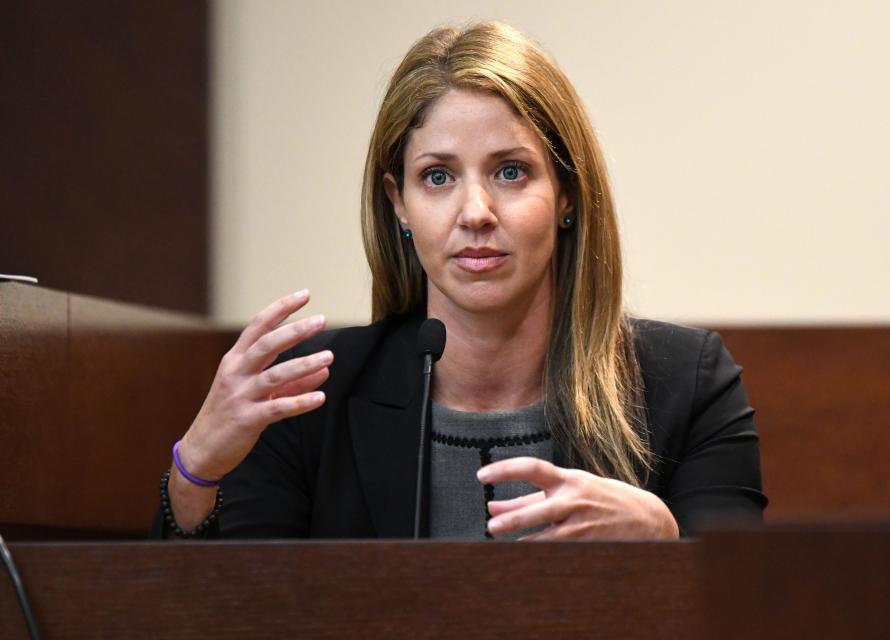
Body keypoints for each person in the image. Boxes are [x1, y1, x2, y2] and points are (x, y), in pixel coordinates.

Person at [153, 21, 765, 541]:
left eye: (510, 171)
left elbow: (752, 612)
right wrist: (196, 470)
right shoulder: (311, 393)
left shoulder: (686, 384)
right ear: (398, 203)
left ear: (567, 195)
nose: (475, 212)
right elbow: (215, 612)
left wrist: (666, 537)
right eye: (438, 177)